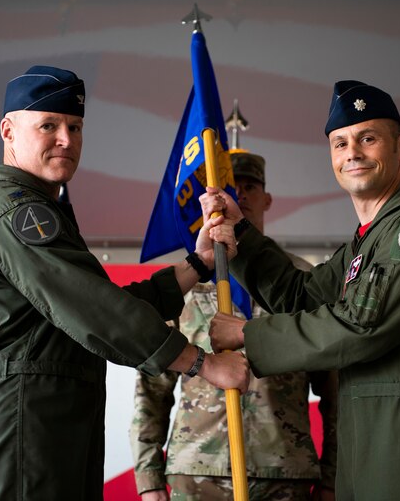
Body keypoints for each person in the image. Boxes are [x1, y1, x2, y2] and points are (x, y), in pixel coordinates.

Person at [0, 65, 250, 501]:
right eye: (48, 125)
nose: (66, 139)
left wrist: (196, 265)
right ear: (8, 131)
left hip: (46, 430)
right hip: (21, 433)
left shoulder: (42, 210)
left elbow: (101, 304)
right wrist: (204, 364)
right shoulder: (18, 215)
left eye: (75, 126)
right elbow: (99, 313)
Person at [204, 80, 400, 500]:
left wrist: (246, 334)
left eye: (368, 139)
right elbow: (302, 297)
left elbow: (365, 325)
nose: (352, 153)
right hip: (362, 435)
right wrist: (240, 233)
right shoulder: (366, 241)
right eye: (340, 143)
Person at [130, 151, 338, 500]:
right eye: (227, 187)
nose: (237, 196)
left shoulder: (301, 281)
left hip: (284, 472)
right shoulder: (187, 280)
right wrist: (149, 480)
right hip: (197, 473)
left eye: (249, 186)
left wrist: (333, 479)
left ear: (267, 198)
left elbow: (336, 392)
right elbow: (152, 388)